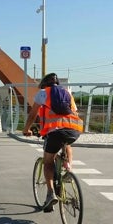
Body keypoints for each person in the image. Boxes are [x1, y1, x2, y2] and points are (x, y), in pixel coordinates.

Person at [22, 73, 84, 212]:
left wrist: (26, 129)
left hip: (55, 131)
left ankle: (50, 193)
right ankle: (68, 169)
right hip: (74, 129)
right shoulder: (67, 93)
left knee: (48, 161)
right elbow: (74, 112)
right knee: (67, 144)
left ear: (44, 84)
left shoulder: (43, 93)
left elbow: (33, 114)